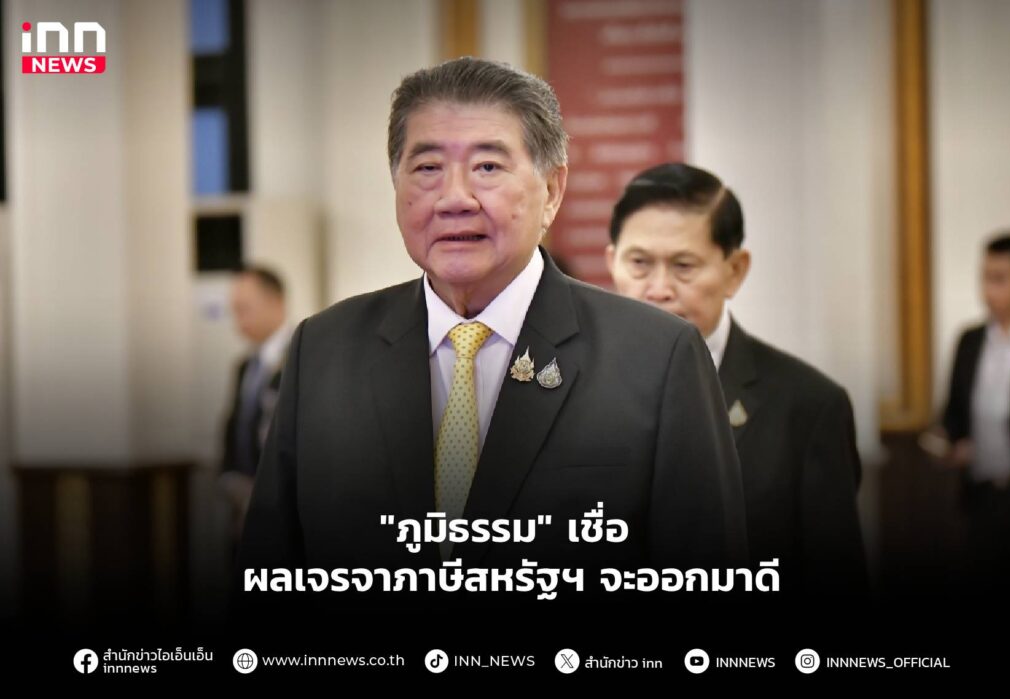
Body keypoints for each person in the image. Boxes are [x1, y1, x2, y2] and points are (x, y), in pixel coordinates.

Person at [234, 58, 747, 617]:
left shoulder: (657, 358)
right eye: (427, 167)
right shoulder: (324, 350)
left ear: (552, 189)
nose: (454, 197)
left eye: (487, 166)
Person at [606, 162, 869, 597]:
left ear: (735, 271)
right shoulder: (568, 386)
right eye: (639, 264)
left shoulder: (808, 406)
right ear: (611, 262)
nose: (658, 288)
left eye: (684, 266)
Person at [940, 232, 1010, 595]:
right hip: (981, 495)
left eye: (999, 278)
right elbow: (953, 412)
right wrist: (952, 441)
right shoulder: (970, 341)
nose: (988, 290)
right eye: (985, 277)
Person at [220, 265, 292, 546]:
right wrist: (230, 478)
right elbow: (234, 425)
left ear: (276, 303)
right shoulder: (245, 366)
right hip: (243, 501)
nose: (238, 320)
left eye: (244, 309)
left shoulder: (302, 357)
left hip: (283, 504)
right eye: (234, 311)